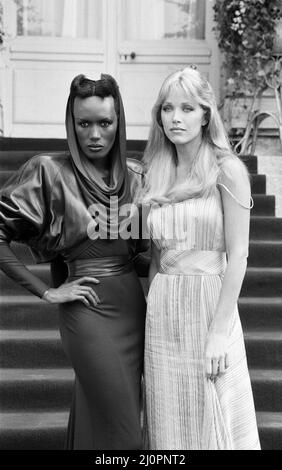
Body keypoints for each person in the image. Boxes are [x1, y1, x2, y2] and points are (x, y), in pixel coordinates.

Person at [0, 74, 149, 450]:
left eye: (105, 123)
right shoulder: (48, 172)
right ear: (71, 123)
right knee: (126, 432)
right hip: (88, 312)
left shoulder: (137, 175)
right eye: (84, 123)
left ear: (119, 123)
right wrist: (47, 292)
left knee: (105, 418)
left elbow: (142, 254)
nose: (95, 134)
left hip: (135, 310)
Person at [138, 66, 261, 450]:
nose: (176, 117)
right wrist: (150, 304)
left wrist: (219, 332)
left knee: (215, 414)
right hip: (163, 310)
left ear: (206, 114)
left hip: (210, 304)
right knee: (169, 417)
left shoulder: (228, 169)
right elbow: (158, 253)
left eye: (188, 108)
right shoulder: (155, 171)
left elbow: (238, 255)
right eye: (168, 108)